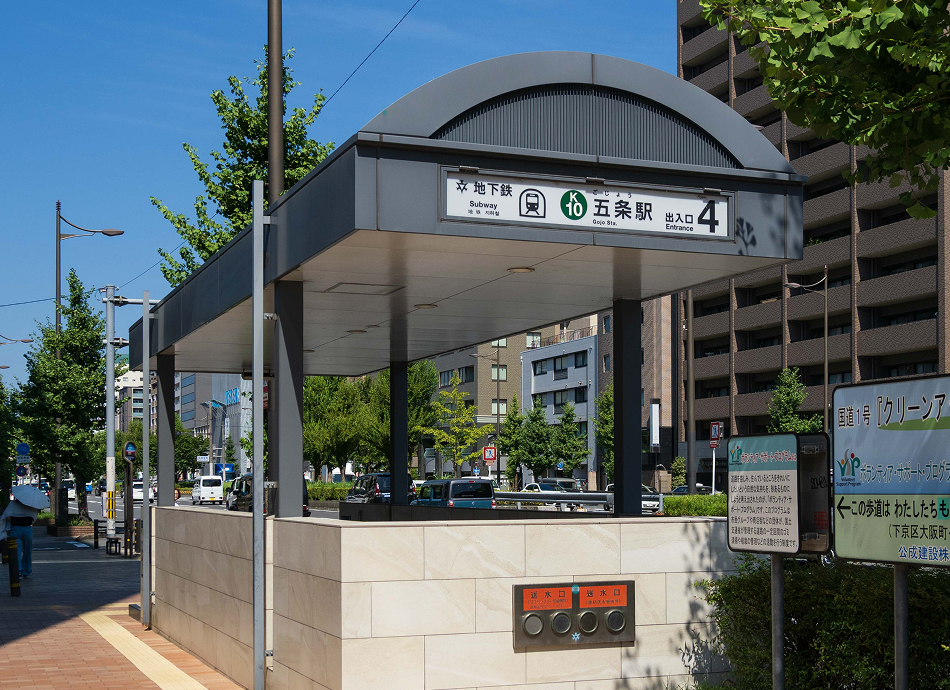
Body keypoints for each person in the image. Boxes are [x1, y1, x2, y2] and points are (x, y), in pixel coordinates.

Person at [0, 498, 39, 578]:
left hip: (15, 529)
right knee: (27, 551)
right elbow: (34, 518)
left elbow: (7, 516)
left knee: (15, 551)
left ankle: (18, 571)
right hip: (27, 529)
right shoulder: (30, 504)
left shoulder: (13, 504)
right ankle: (27, 570)